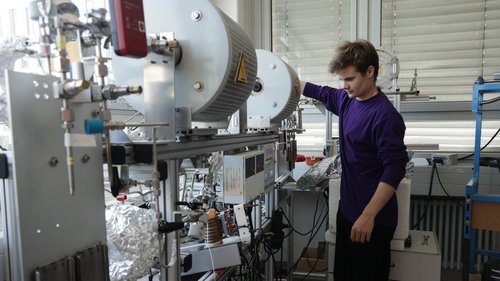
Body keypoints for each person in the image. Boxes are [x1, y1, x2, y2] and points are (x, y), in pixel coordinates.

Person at [299, 39, 408, 281]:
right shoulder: (347, 100)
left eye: (350, 79)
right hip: (348, 213)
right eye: (342, 80)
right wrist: (281, 76)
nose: (345, 85)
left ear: (370, 72)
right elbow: (317, 91)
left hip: (373, 220)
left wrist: (368, 216)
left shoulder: (385, 116)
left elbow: (394, 169)